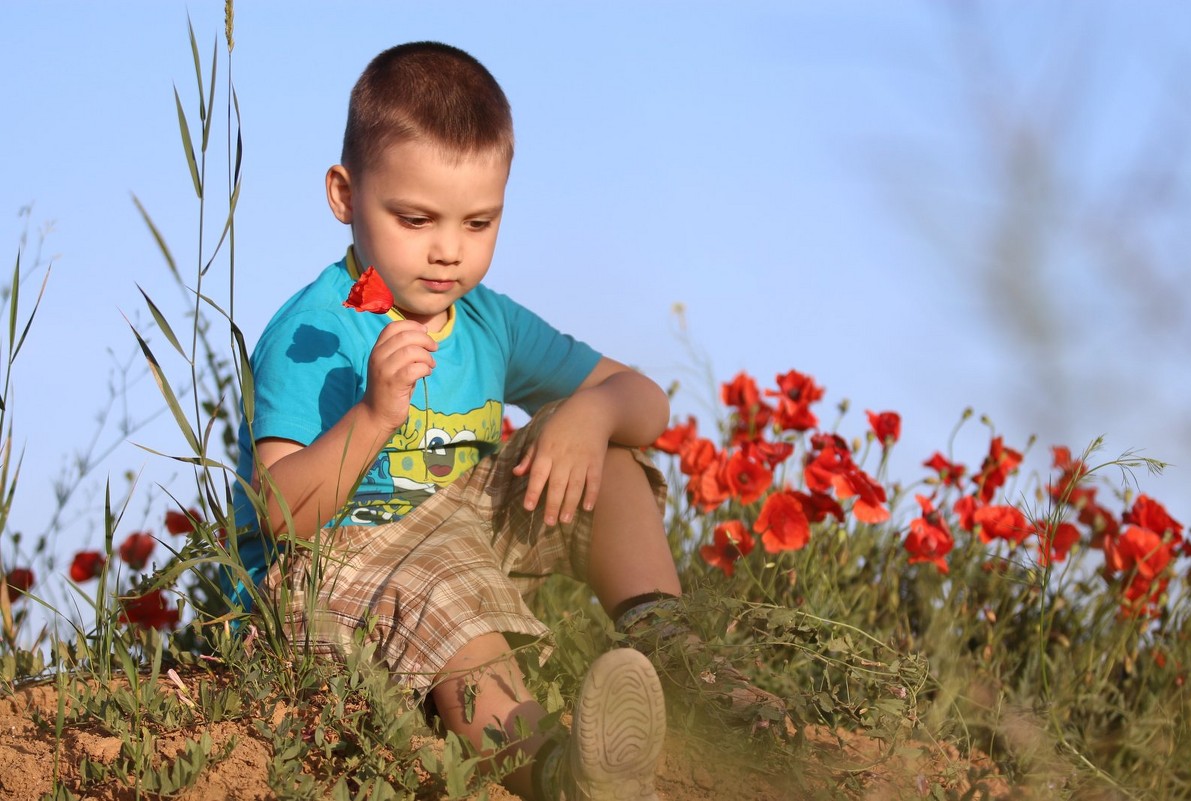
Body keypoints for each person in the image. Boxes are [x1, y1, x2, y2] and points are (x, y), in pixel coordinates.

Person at [229, 41, 785, 801]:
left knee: (611, 458)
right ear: (342, 194)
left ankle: (671, 649)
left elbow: (646, 404)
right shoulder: (312, 334)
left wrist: (589, 412)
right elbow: (279, 515)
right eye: (415, 218)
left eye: (479, 222)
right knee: (438, 588)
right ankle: (559, 770)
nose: (448, 251)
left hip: (449, 533)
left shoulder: (486, 321)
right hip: (326, 572)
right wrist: (373, 412)